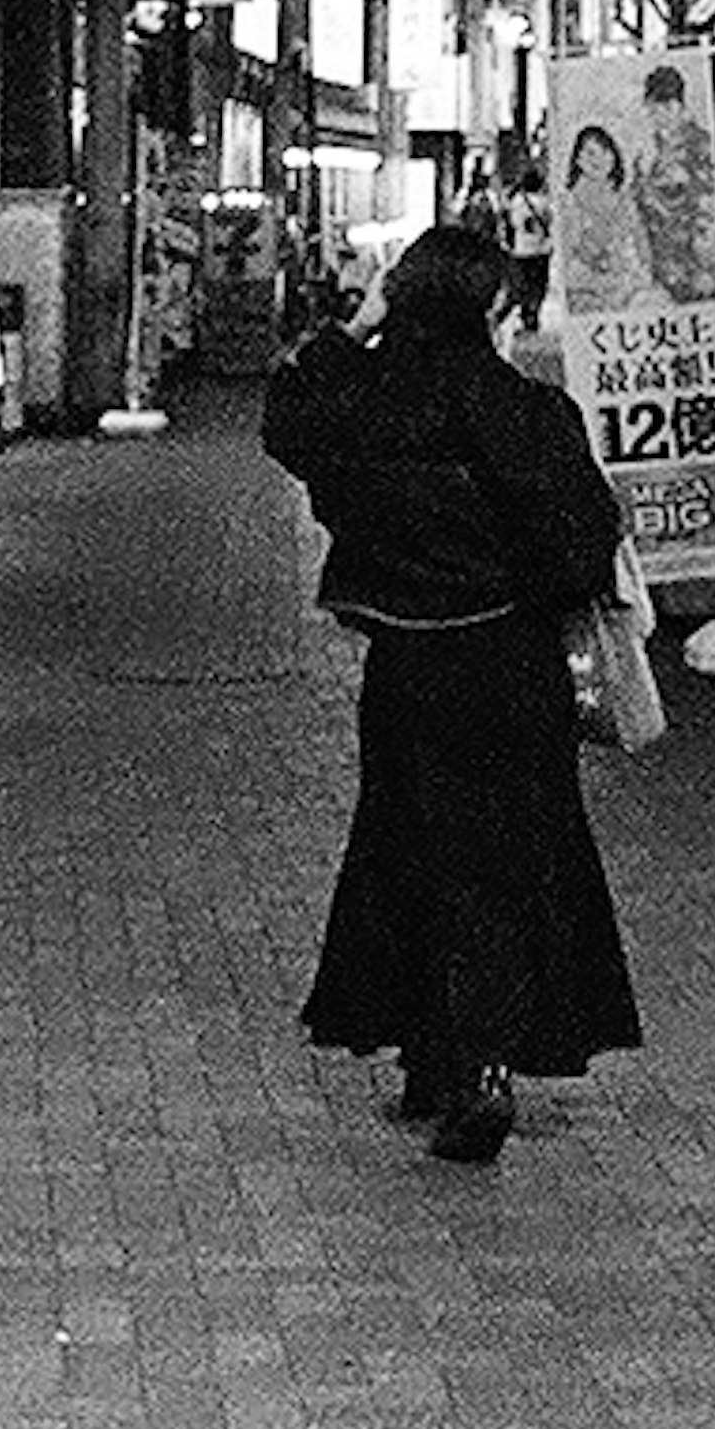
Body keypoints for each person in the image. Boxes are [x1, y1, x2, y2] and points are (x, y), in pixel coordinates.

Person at [261, 219, 643, 1158]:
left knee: (409, 850)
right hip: (511, 670)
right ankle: (479, 1063)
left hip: (406, 670)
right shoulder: (531, 414)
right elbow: (583, 547)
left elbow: (287, 417)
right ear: (494, 310)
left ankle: (434, 1058)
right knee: (507, 863)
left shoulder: (367, 408)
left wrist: (357, 325)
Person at [631, 63, 715, 301]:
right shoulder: (650, 151)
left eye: (663, 108)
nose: (657, 116)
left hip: (692, 264)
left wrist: (704, 265)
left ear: (678, 106)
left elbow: (707, 208)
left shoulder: (699, 146)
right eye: (652, 109)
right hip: (659, 262)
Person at [553, 117, 655, 306]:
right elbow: (566, 266)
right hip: (588, 300)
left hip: (630, 295)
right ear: (578, 160)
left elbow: (642, 248)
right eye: (591, 153)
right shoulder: (570, 204)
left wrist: (639, 277)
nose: (599, 159)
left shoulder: (625, 201)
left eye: (606, 152)